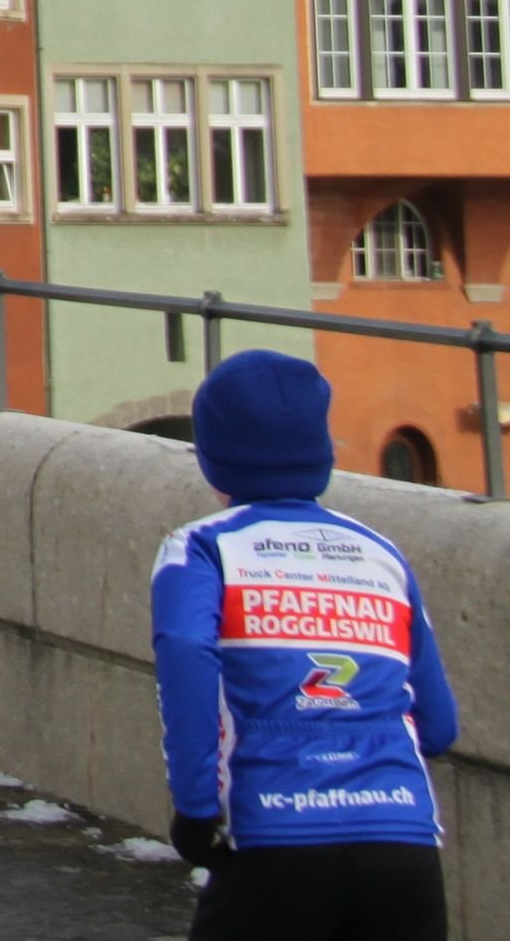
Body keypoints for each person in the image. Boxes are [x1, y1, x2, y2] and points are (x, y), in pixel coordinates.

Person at [154, 349, 458, 937]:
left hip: (273, 834)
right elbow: (439, 726)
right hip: (402, 840)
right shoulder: (380, 551)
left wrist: (194, 810)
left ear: (212, 458)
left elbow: (188, 649)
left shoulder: (201, 548)